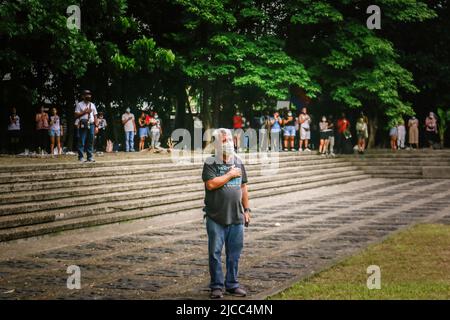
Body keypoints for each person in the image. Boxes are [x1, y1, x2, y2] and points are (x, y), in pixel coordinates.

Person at [202, 128, 250, 299]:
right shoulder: (210, 162)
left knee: (234, 254)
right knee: (215, 253)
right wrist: (230, 175)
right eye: (224, 141)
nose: (228, 143)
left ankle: (232, 284)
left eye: (229, 139)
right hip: (216, 216)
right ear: (216, 144)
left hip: (236, 216)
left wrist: (247, 209)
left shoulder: (238, 161)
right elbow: (211, 184)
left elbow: (244, 187)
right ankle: (216, 286)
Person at [74, 89, 98, 162]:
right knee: (82, 140)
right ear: (83, 96)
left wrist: (96, 126)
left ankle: (89, 157)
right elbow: (75, 115)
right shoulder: (79, 104)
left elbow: (95, 116)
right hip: (83, 124)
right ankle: (81, 157)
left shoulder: (92, 105)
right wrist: (85, 112)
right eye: (86, 94)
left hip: (91, 124)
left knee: (91, 140)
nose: (88, 96)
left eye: (89, 94)